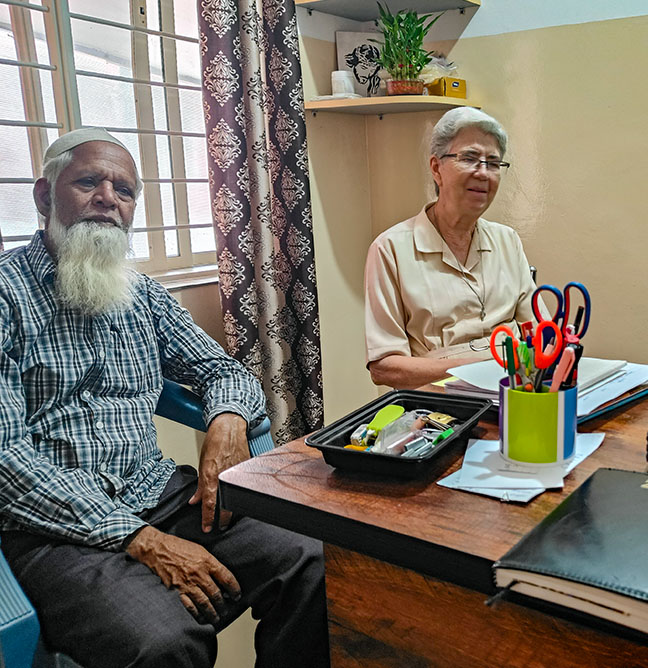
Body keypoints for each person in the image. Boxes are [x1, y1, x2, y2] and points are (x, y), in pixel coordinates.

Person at [0, 128, 328, 668]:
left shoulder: (143, 294)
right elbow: (7, 461)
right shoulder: (8, 295)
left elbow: (221, 368)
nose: (108, 199)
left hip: (157, 491)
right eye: (88, 182)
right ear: (44, 196)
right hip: (54, 527)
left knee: (312, 557)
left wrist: (226, 420)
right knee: (166, 643)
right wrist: (142, 540)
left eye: (124, 191)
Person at [364, 107, 539, 389]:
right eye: (469, 158)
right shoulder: (390, 249)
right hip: (436, 407)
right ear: (436, 168)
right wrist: (485, 365)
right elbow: (385, 367)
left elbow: (541, 335)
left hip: (515, 394)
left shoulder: (508, 240)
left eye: (493, 163)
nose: (483, 173)